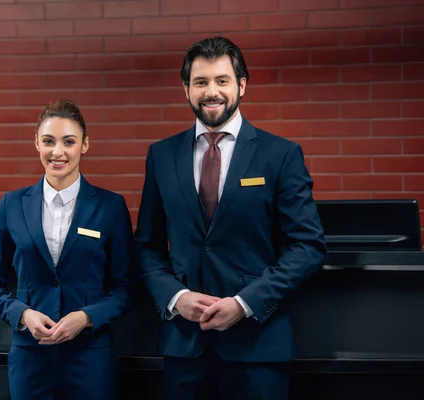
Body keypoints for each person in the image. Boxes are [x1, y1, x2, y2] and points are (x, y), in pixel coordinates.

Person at [134, 36, 327, 400]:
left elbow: (308, 246)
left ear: (241, 85)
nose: (211, 91)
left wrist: (244, 303)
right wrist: (176, 297)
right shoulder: (161, 156)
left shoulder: (280, 154)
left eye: (222, 80)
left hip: (258, 346)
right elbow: (146, 247)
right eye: (201, 82)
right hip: (184, 349)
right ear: (186, 89)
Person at [0, 99, 133, 400]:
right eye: (49, 141)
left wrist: (86, 317)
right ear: (36, 143)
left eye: (69, 142)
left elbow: (126, 288)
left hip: (90, 359)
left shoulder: (111, 207)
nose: (57, 152)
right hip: (30, 360)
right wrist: (22, 315)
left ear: (85, 145)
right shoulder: (11, 205)